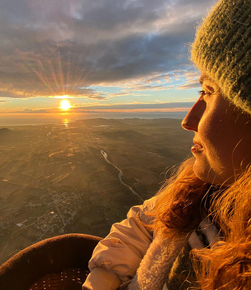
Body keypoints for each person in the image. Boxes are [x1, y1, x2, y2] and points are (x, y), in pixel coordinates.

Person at [82, 0, 251, 289]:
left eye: (209, 91)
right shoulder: (201, 188)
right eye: (201, 89)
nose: (188, 120)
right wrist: (104, 276)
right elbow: (143, 222)